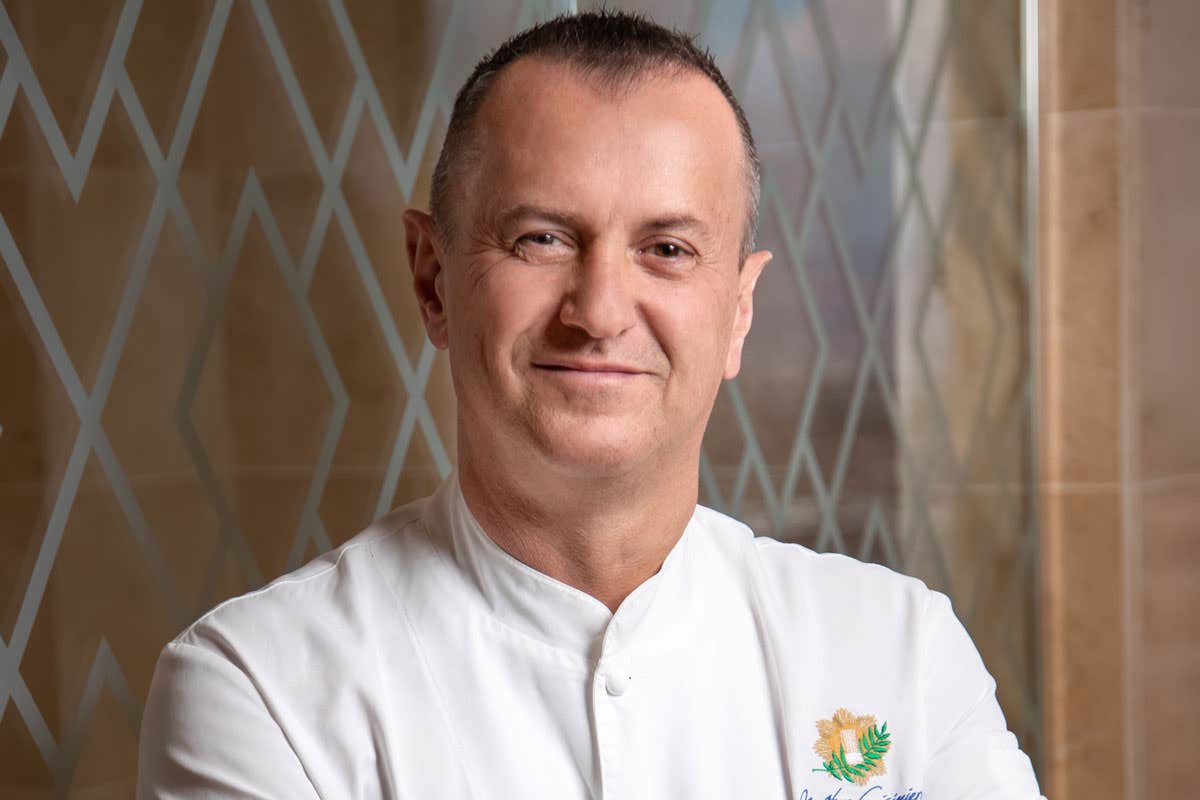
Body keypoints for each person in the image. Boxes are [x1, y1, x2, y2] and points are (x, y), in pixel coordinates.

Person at [137, 11, 1044, 799]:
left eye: (669, 250)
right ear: (432, 280)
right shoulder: (260, 691)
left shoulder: (898, 652)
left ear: (739, 313)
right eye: (541, 238)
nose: (601, 310)